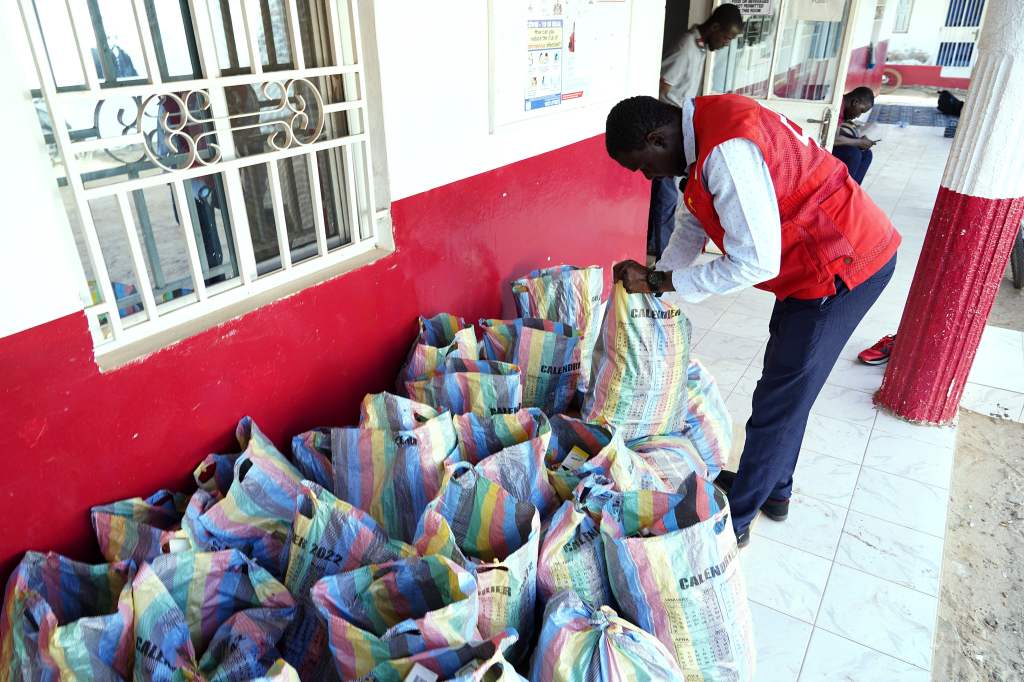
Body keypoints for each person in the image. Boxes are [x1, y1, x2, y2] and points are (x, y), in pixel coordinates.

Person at [605, 94, 901, 547]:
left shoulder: (724, 150)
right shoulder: (705, 126)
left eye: (642, 166)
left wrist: (664, 282)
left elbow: (753, 263)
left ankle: (734, 520)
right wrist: (654, 283)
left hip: (841, 264)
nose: (648, 177)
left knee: (779, 401)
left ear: (656, 138)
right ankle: (774, 490)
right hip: (811, 263)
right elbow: (693, 222)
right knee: (785, 385)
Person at [648, 4, 744, 262]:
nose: (725, 44)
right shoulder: (686, 47)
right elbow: (663, 85)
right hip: (668, 130)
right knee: (667, 195)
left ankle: (657, 246)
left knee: (667, 194)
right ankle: (661, 254)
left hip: (679, 128)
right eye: (726, 37)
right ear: (714, 27)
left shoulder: (700, 47)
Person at [832, 87, 878, 185]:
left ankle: (853, 190)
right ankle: (844, 191)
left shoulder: (842, 107)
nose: (858, 116)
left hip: (827, 141)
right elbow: (833, 139)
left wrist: (857, 140)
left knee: (866, 153)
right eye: (861, 111)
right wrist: (858, 142)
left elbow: (836, 132)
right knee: (853, 154)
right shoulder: (837, 106)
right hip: (816, 147)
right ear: (855, 102)